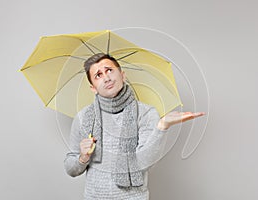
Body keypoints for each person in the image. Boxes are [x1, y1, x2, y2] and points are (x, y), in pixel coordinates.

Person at [64, 53, 205, 200]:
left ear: (122, 75)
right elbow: (70, 169)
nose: (106, 78)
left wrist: (162, 126)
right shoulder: (83, 117)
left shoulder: (145, 113)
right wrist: (83, 158)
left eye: (109, 70)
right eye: (98, 75)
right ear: (93, 88)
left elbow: (145, 162)